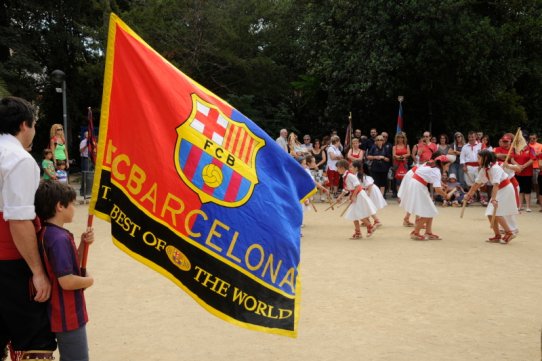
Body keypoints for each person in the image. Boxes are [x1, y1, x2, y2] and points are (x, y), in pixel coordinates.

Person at [0, 96, 56, 360]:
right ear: (25, 125)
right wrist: (37, 272)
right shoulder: (18, 159)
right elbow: (19, 219)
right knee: (36, 339)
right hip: (10, 262)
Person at [35, 180, 94, 361]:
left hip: (60, 312)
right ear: (60, 206)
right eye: (72, 204)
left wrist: (83, 245)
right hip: (68, 314)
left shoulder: (49, 233)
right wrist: (89, 281)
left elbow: (68, 263)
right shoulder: (58, 238)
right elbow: (66, 280)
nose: (74, 208)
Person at [464, 150, 518, 244]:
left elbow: (496, 184)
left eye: (479, 158)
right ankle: (497, 235)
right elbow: (477, 183)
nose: (478, 160)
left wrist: (493, 199)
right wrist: (469, 194)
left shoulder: (495, 168)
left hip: (505, 189)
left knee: (496, 212)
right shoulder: (484, 169)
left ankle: (509, 233)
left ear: (485, 158)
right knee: (490, 213)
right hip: (500, 189)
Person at [401, 155, 450, 240]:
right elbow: (437, 190)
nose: (448, 168)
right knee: (429, 211)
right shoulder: (437, 171)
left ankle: (428, 232)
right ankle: (415, 233)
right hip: (418, 186)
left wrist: (441, 184)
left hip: (416, 183)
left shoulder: (429, 163)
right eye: (447, 165)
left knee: (430, 209)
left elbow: (429, 176)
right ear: (442, 164)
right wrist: (445, 195)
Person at [335, 160, 376, 239]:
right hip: (356, 195)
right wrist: (340, 196)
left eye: (338, 168)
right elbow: (346, 188)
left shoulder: (350, 175)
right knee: (354, 214)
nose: (337, 170)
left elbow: (358, 186)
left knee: (358, 213)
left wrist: (353, 196)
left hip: (359, 195)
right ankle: (358, 232)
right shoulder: (346, 175)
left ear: (342, 168)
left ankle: (369, 227)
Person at [355, 161, 385, 227]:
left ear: (357, 168)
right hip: (366, 191)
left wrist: (368, 194)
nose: (350, 168)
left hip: (370, 191)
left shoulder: (362, 175)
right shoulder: (357, 175)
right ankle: (367, 219)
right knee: (366, 206)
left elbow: (369, 185)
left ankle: (376, 220)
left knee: (368, 206)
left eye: (352, 167)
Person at [460, 130, 486, 205]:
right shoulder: (465, 147)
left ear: (476, 137)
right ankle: (471, 198)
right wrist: (464, 166)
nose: (471, 138)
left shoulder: (481, 145)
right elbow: (462, 157)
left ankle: (482, 198)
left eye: (472, 137)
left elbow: (484, 156)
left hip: (478, 167)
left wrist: (482, 165)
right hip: (468, 167)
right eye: (469, 137)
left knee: (479, 183)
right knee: (469, 183)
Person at [511, 135, 536, 212]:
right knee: (520, 189)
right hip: (518, 172)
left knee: (527, 190)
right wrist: (518, 166)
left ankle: (528, 206)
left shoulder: (531, 149)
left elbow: (533, 159)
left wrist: (523, 166)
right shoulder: (515, 149)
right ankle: (520, 206)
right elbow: (512, 159)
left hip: (527, 173)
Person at [528, 133, 542, 206]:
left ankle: (538, 198)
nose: (532, 140)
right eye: (530, 138)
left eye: (533, 138)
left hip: (537, 167)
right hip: (528, 166)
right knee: (531, 183)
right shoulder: (527, 146)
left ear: (536, 139)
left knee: (537, 183)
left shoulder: (540, 145)